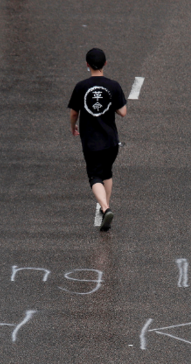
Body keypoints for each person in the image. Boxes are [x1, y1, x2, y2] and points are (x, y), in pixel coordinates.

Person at [68, 48, 127, 231]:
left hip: (92, 142)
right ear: (105, 64)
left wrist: (73, 127)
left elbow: (74, 113)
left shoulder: (81, 87)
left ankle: (105, 207)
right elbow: (123, 112)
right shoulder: (113, 86)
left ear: (87, 65)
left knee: (94, 175)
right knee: (107, 172)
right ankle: (105, 212)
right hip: (111, 141)